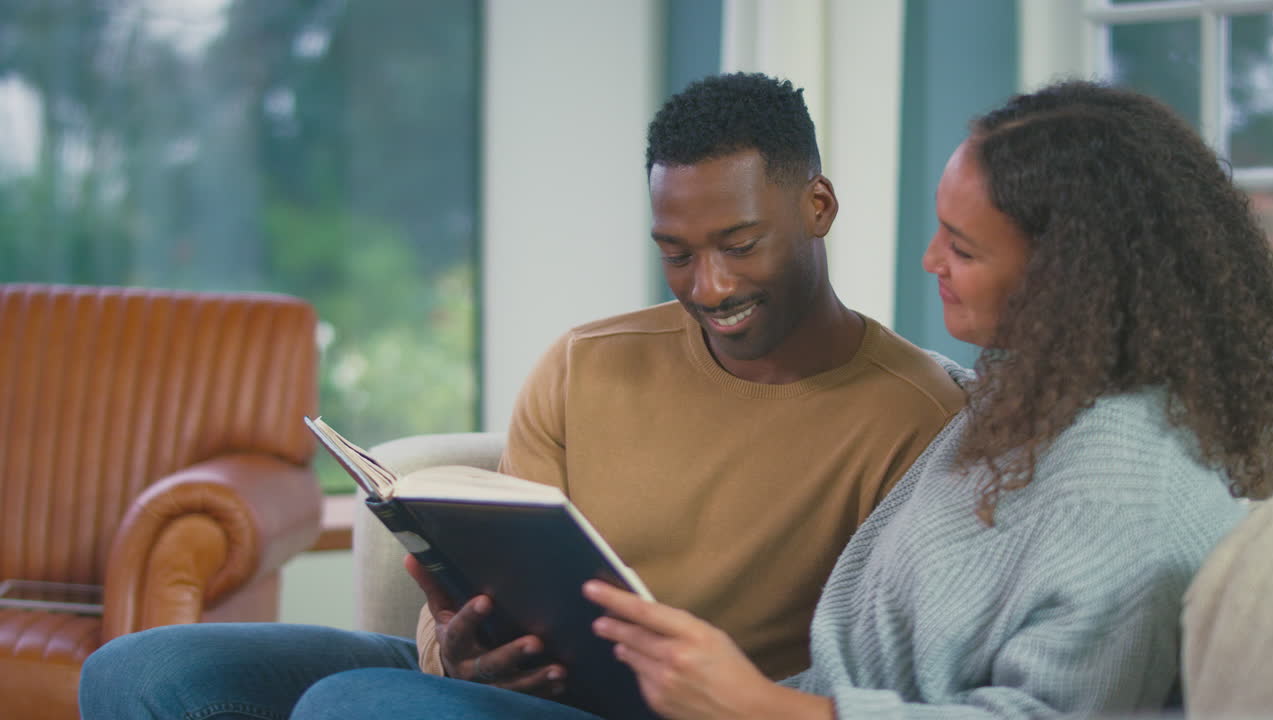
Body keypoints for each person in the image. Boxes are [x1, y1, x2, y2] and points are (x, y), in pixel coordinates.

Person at [284, 80, 1273, 720]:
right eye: (678, 253)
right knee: (166, 677)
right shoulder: (1024, 400)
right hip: (689, 699)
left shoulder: (1134, 488)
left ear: (1077, 272)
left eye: (962, 247)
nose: (927, 261)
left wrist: (760, 708)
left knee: (355, 709)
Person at [79, 73, 965, 719]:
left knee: (360, 709)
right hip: (521, 686)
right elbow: (481, 593)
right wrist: (457, 648)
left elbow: (889, 673)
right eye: (677, 251)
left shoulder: (916, 416)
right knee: (141, 673)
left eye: (739, 243)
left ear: (818, 206)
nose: (708, 285)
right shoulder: (588, 363)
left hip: (691, 713)